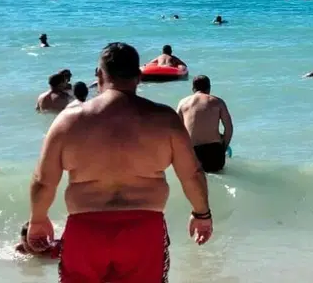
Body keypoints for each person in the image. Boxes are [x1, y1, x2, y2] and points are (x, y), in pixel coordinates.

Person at [27, 42, 213, 280]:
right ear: (139, 76)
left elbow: (43, 181)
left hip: (85, 229)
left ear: (99, 75)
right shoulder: (165, 119)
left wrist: (38, 220)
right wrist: (202, 214)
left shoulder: (68, 121)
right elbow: (192, 174)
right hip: (144, 230)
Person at [177, 76, 234, 173]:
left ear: (193, 89)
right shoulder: (217, 102)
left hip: (193, 151)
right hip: (214, 151)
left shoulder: (182, 103)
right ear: (209, 88)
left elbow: (176, 130)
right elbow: (229, 128)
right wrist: (223, 148)